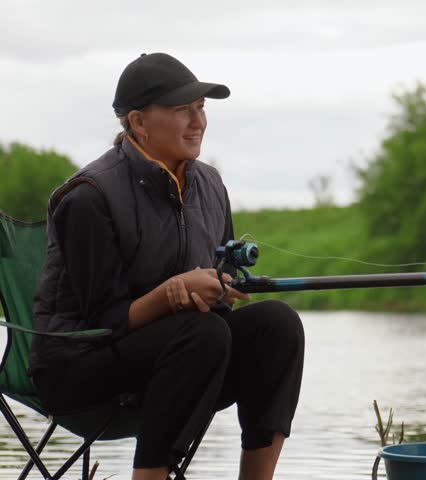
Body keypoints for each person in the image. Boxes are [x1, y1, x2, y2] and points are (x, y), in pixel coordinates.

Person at [29, 52, 305, 480]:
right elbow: (103, 320)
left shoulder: (211, 185)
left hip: (180, 358)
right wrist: (170, 294)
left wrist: (219, 287)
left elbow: (220, 296)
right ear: (138, 123)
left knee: (277, 325)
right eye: (182, 110)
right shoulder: (88, 196)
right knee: (202, 332)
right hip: (78, 367)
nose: (198, 122)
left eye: (201, 109)